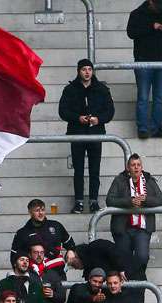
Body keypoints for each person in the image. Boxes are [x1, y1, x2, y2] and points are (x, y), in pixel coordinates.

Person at [58, 59, 114, 213]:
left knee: (95, 170)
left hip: (96, 134)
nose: (87, 72)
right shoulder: (70, 89)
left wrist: (98, 119)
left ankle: (94, 202)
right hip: (77, 134)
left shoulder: (102, 89)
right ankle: (79, 202)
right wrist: (78, 118)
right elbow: (62, 111)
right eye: (84, 69)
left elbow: (110, 111)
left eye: (90, 69)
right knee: (78, 170)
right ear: (78, 71)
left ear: (93, 71)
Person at [126, 0, 162, 139]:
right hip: (144, 60)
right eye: (158, 5)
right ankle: (143, 128)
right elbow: (131, 32)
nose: (160, 9)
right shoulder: (137, 14)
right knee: (143, 96)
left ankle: (156, 129)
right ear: (150, 2)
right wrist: (152, 27)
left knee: (159, 97)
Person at [105, 153, 162, 274]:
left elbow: (161, 199)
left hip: (142, 228)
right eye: (133, 165)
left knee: (142, 257)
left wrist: (145, 199)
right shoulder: (119, 180)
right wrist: (129, 201)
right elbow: (109, 200)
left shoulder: (149, 180)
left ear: (142, 167)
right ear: (128, 168)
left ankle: (137, 278)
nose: (136, 167)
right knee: (123, 259)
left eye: (138, 165)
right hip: (123, 228)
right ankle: (127, 283)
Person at [11, 198, 74, 265]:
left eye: (43, 210)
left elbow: (70, 244)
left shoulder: (56, 225)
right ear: (30, 212)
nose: (41, 213)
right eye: (37, 210)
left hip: (57, 270)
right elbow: (14, 256)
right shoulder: (22, 233)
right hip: (33, 272)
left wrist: (71, 251)